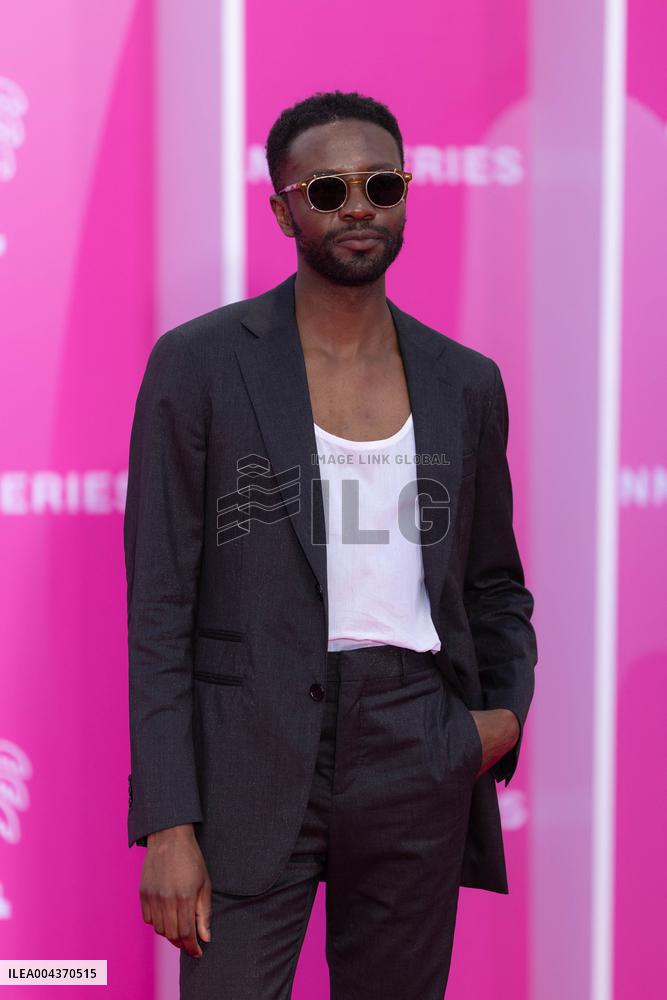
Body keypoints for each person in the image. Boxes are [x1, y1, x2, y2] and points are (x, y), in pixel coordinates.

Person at [124, 90, 538, 999]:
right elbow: (159, 606)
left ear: (405, 197)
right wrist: (168, 820)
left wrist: (499, 720)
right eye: (326, 190)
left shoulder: (464, 382)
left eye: (380, 185)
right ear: (283, 211)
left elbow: (494, 583)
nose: (358, 207)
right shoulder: (199, 365)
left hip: (416, 737)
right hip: (248, 749)